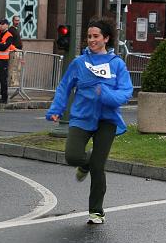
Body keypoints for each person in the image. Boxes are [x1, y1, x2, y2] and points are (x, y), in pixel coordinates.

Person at [46, 18, 133, 225]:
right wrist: (56, 109)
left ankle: (96, 211)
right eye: (89, 36)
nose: (91, 40)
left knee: (98, 166)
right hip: (82, 117)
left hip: (107, 120)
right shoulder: (79, 63)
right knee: (72, 156)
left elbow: (126, 92)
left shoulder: (117, 64)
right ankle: (85, 164)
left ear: (106, 38)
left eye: (96, 36)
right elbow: (64, 87)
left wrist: (106, 95)